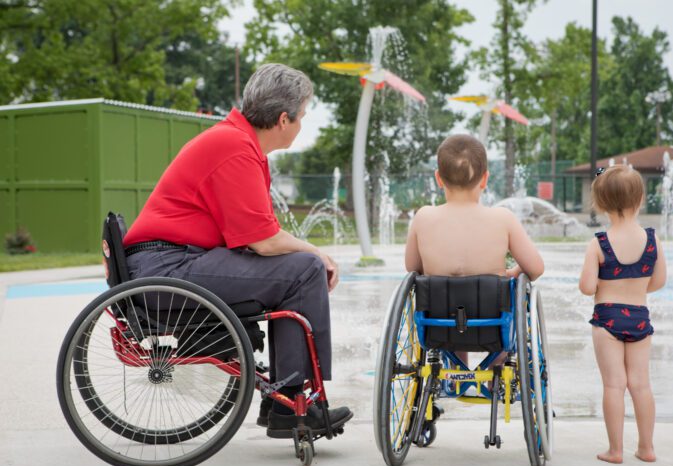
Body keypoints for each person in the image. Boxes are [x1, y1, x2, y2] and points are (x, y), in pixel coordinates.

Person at [122, 63, 352, 438]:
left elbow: (258, 234)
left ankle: (287, 398)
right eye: (302, 117)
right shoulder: (234, 147)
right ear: (283, 119)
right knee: (306, 268)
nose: (301, 126)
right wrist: (317, 251)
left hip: (169, 262)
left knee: (299, 267)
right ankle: (293, 400)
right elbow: (264, 241)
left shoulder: (236, 142)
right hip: (168, 268)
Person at [404, 134, 545, 374]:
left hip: (438, 326)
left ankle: (457, 372)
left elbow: (412, 269)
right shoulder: (502, 218)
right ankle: (498, 365)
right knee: (501, 297)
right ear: (485, 178)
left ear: (439, 178)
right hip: (493, 325)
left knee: (451, 298)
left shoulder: (424, 217)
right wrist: (510, 273)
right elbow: (535, 268)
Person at [578, 164, 666, 464]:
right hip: (640, 316)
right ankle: (646, 447)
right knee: (641, 384)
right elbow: (659, 281)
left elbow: (587, 287)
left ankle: (615, 450)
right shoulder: (652, 240)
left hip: (607, 319)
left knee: (614, 385)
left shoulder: (599, 243)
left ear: (600, 203)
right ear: (640, 200)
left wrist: (604, 282)